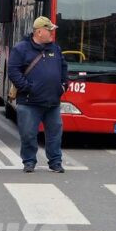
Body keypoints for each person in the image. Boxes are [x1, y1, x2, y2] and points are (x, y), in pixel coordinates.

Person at [8, 16, 69, 174]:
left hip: (52, 102)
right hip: (29, 102)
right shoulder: (21, 48)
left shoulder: (55, 48)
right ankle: (29, 161)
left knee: (55, 134)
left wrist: (63, 86)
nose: (52, 34)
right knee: (28, 134)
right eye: (49, 30)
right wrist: (27, 87)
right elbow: (13, 71)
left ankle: (55, 162)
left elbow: (63, 68)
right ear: (39, 32)